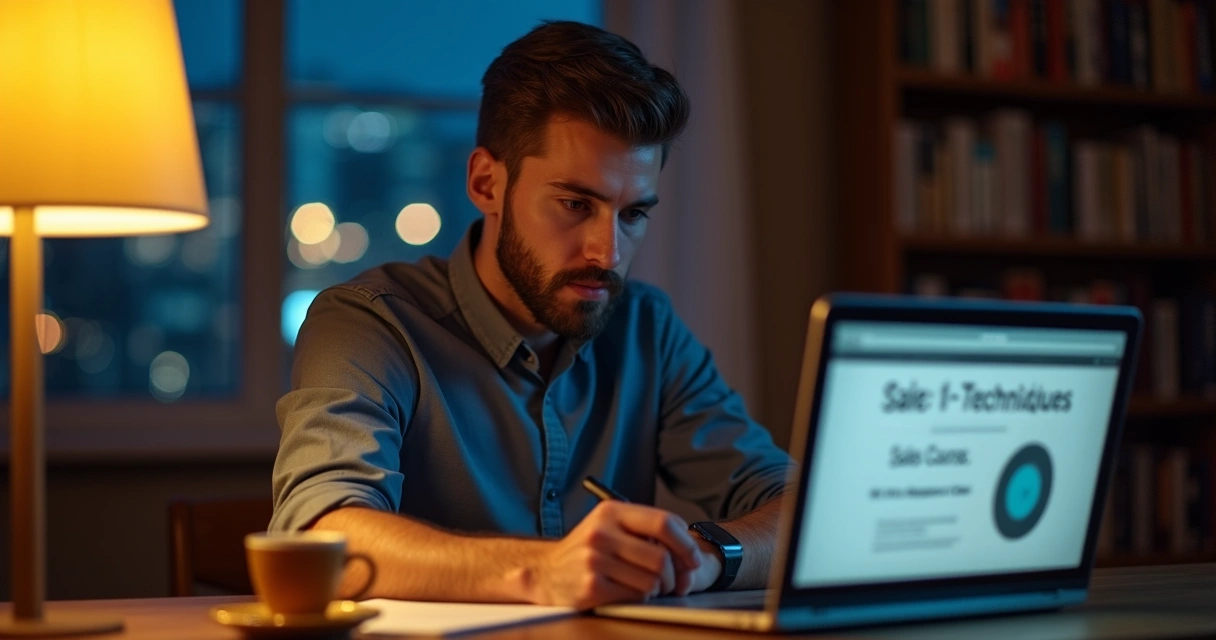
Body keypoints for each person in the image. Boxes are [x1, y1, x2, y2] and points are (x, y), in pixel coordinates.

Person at [270, 20, 793, 609]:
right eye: (576, 204)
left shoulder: (646, 328)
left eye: (633, 214)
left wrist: (700, 558)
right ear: (487, 184)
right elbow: (321, 536)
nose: (609, 253)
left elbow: (802, 509)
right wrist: (544, 572)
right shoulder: (369, 325)